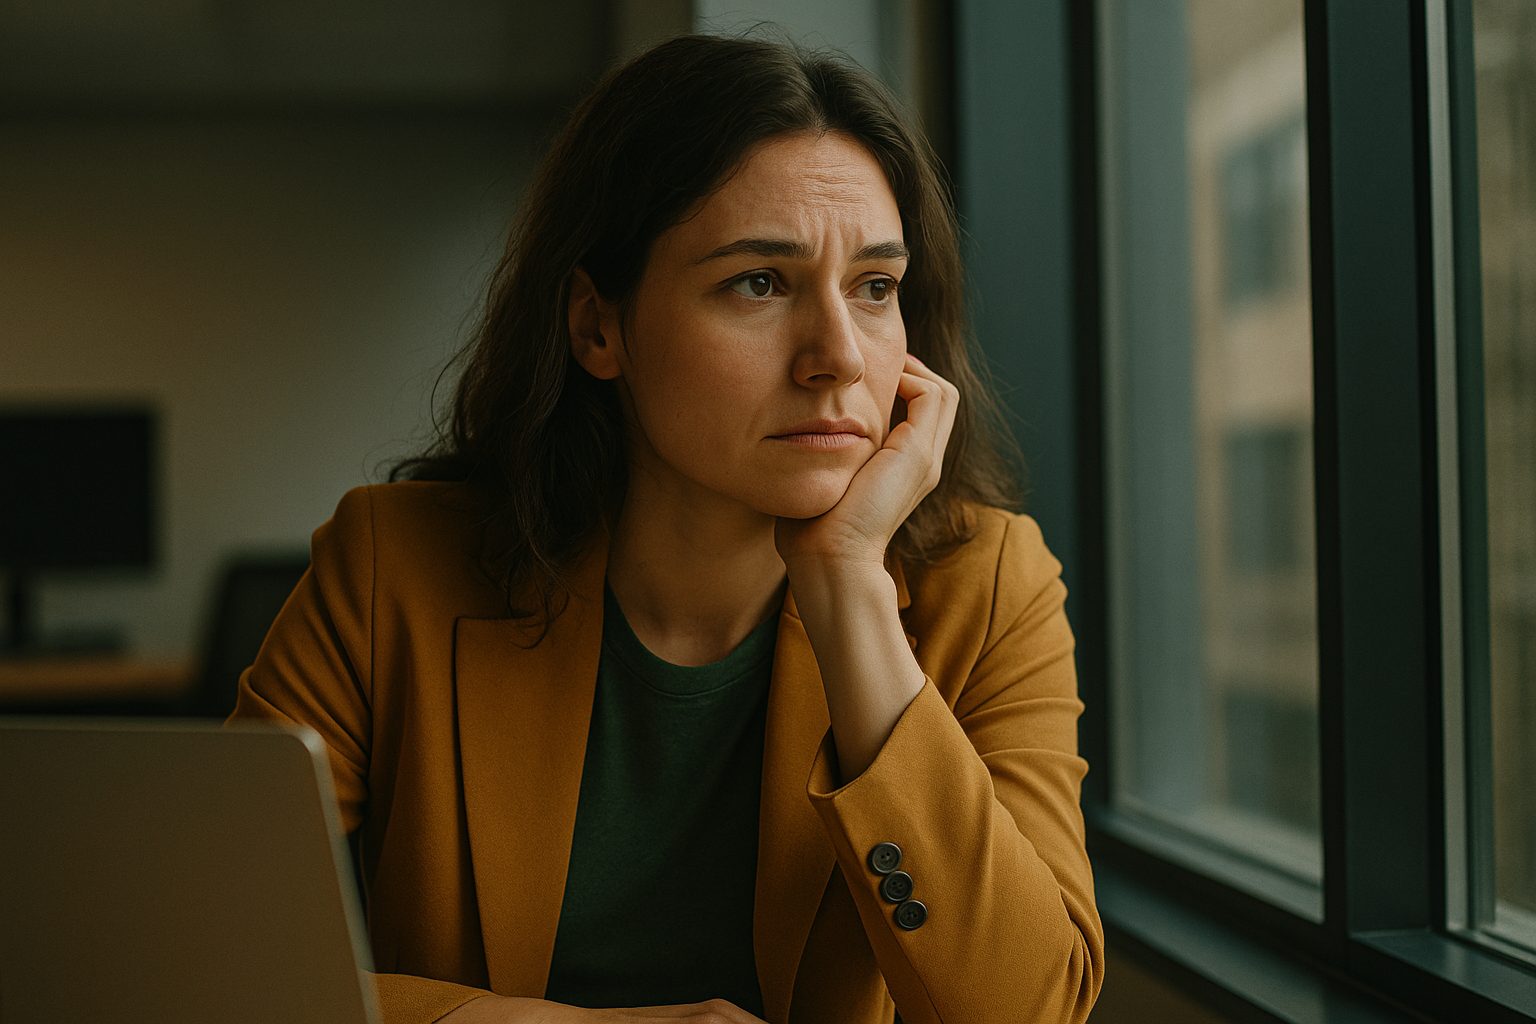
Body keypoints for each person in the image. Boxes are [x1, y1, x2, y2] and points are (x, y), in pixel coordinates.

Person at [229, 32, 1103, 1024]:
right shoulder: (393, 570)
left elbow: (1031, 1010)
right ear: (599, 327)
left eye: (875, 287)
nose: (836, 357)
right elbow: (199, 958)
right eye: (759, 283)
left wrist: (852, 589)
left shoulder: (992, 587)